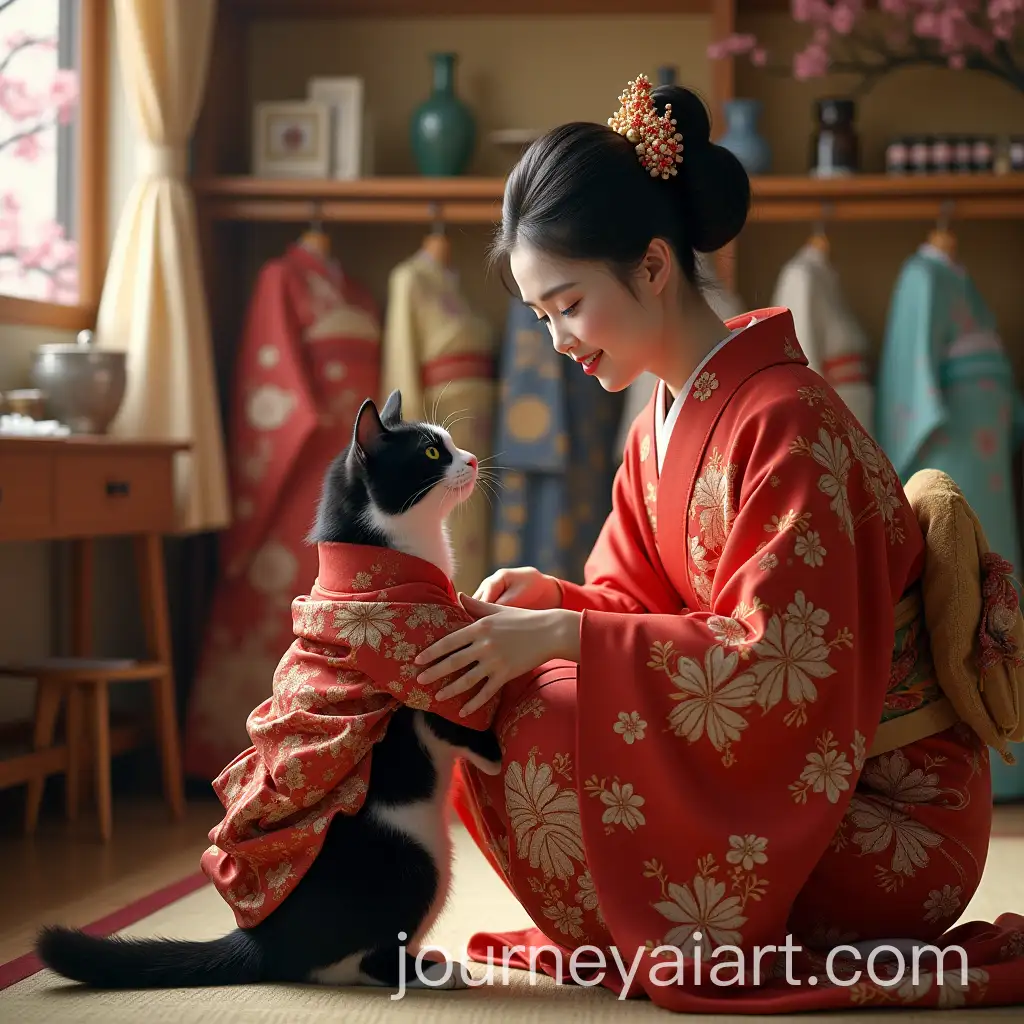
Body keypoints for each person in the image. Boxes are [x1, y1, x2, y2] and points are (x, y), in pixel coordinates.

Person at [410, 76, 1024, 1011]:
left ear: (655, 265)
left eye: (568, 304)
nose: (558, 341)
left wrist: (570, 636)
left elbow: (783, 666)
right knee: (492, 692)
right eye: (541, 317)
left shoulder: (788, 420)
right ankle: (651, 922)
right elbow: (637, 609)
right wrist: (556, 601)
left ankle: (661, 925)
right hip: (790, 778)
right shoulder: (656, 428)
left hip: (883, 811)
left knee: (539, 716)